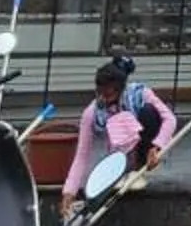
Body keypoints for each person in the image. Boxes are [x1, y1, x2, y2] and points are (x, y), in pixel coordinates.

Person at [62, 54, 178, 203]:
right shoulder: (91, 112)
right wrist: (69, 191)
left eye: (110, 94)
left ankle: (136, 168)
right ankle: (124, 171)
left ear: (121, 89)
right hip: (118, 157)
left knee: (148, 111)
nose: (105, 99)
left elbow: (170, 119)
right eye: (101, 94)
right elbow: (82, 154)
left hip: (146, 148)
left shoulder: (140, 94)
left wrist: (156, 147)